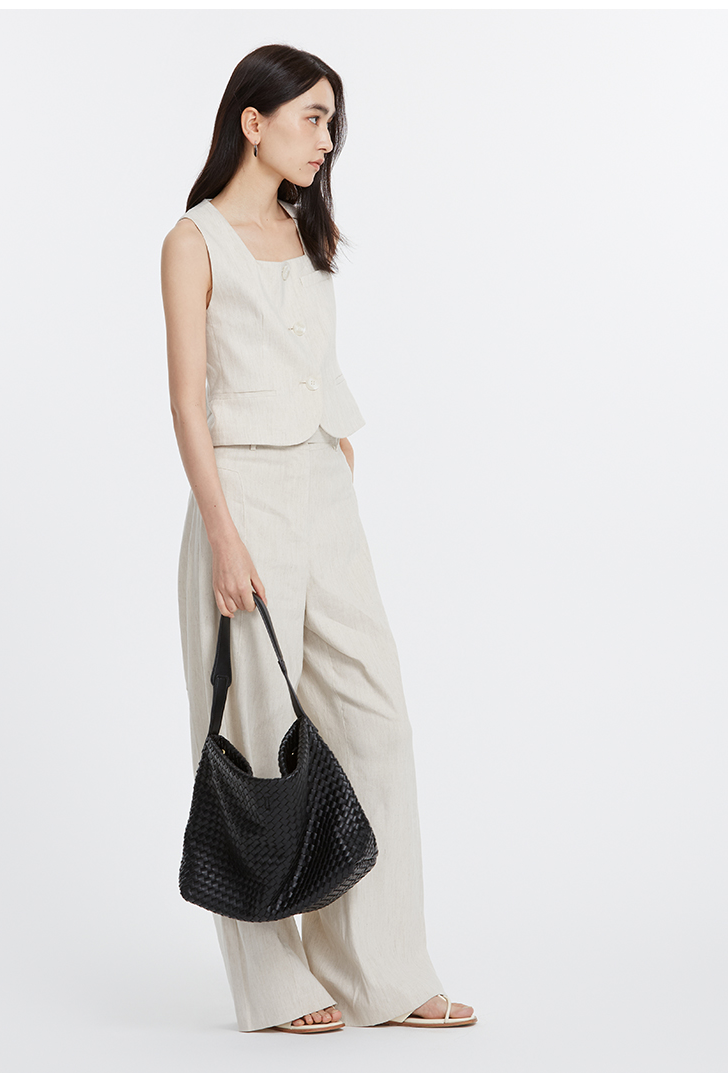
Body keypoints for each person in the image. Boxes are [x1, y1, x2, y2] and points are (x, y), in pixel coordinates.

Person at [160, 43, 477, 1034]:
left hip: (322, 489)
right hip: (241, 495)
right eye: (311, 117)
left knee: (375, 716)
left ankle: (381, 970)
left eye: (331, 120)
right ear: (252, 122)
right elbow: (186, 401)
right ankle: (275, 984)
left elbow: (310, 353)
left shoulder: (304, 226)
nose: (326, 138)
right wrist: (224, 534)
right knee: (257, 733)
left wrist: (336, 434)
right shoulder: (193, 240)